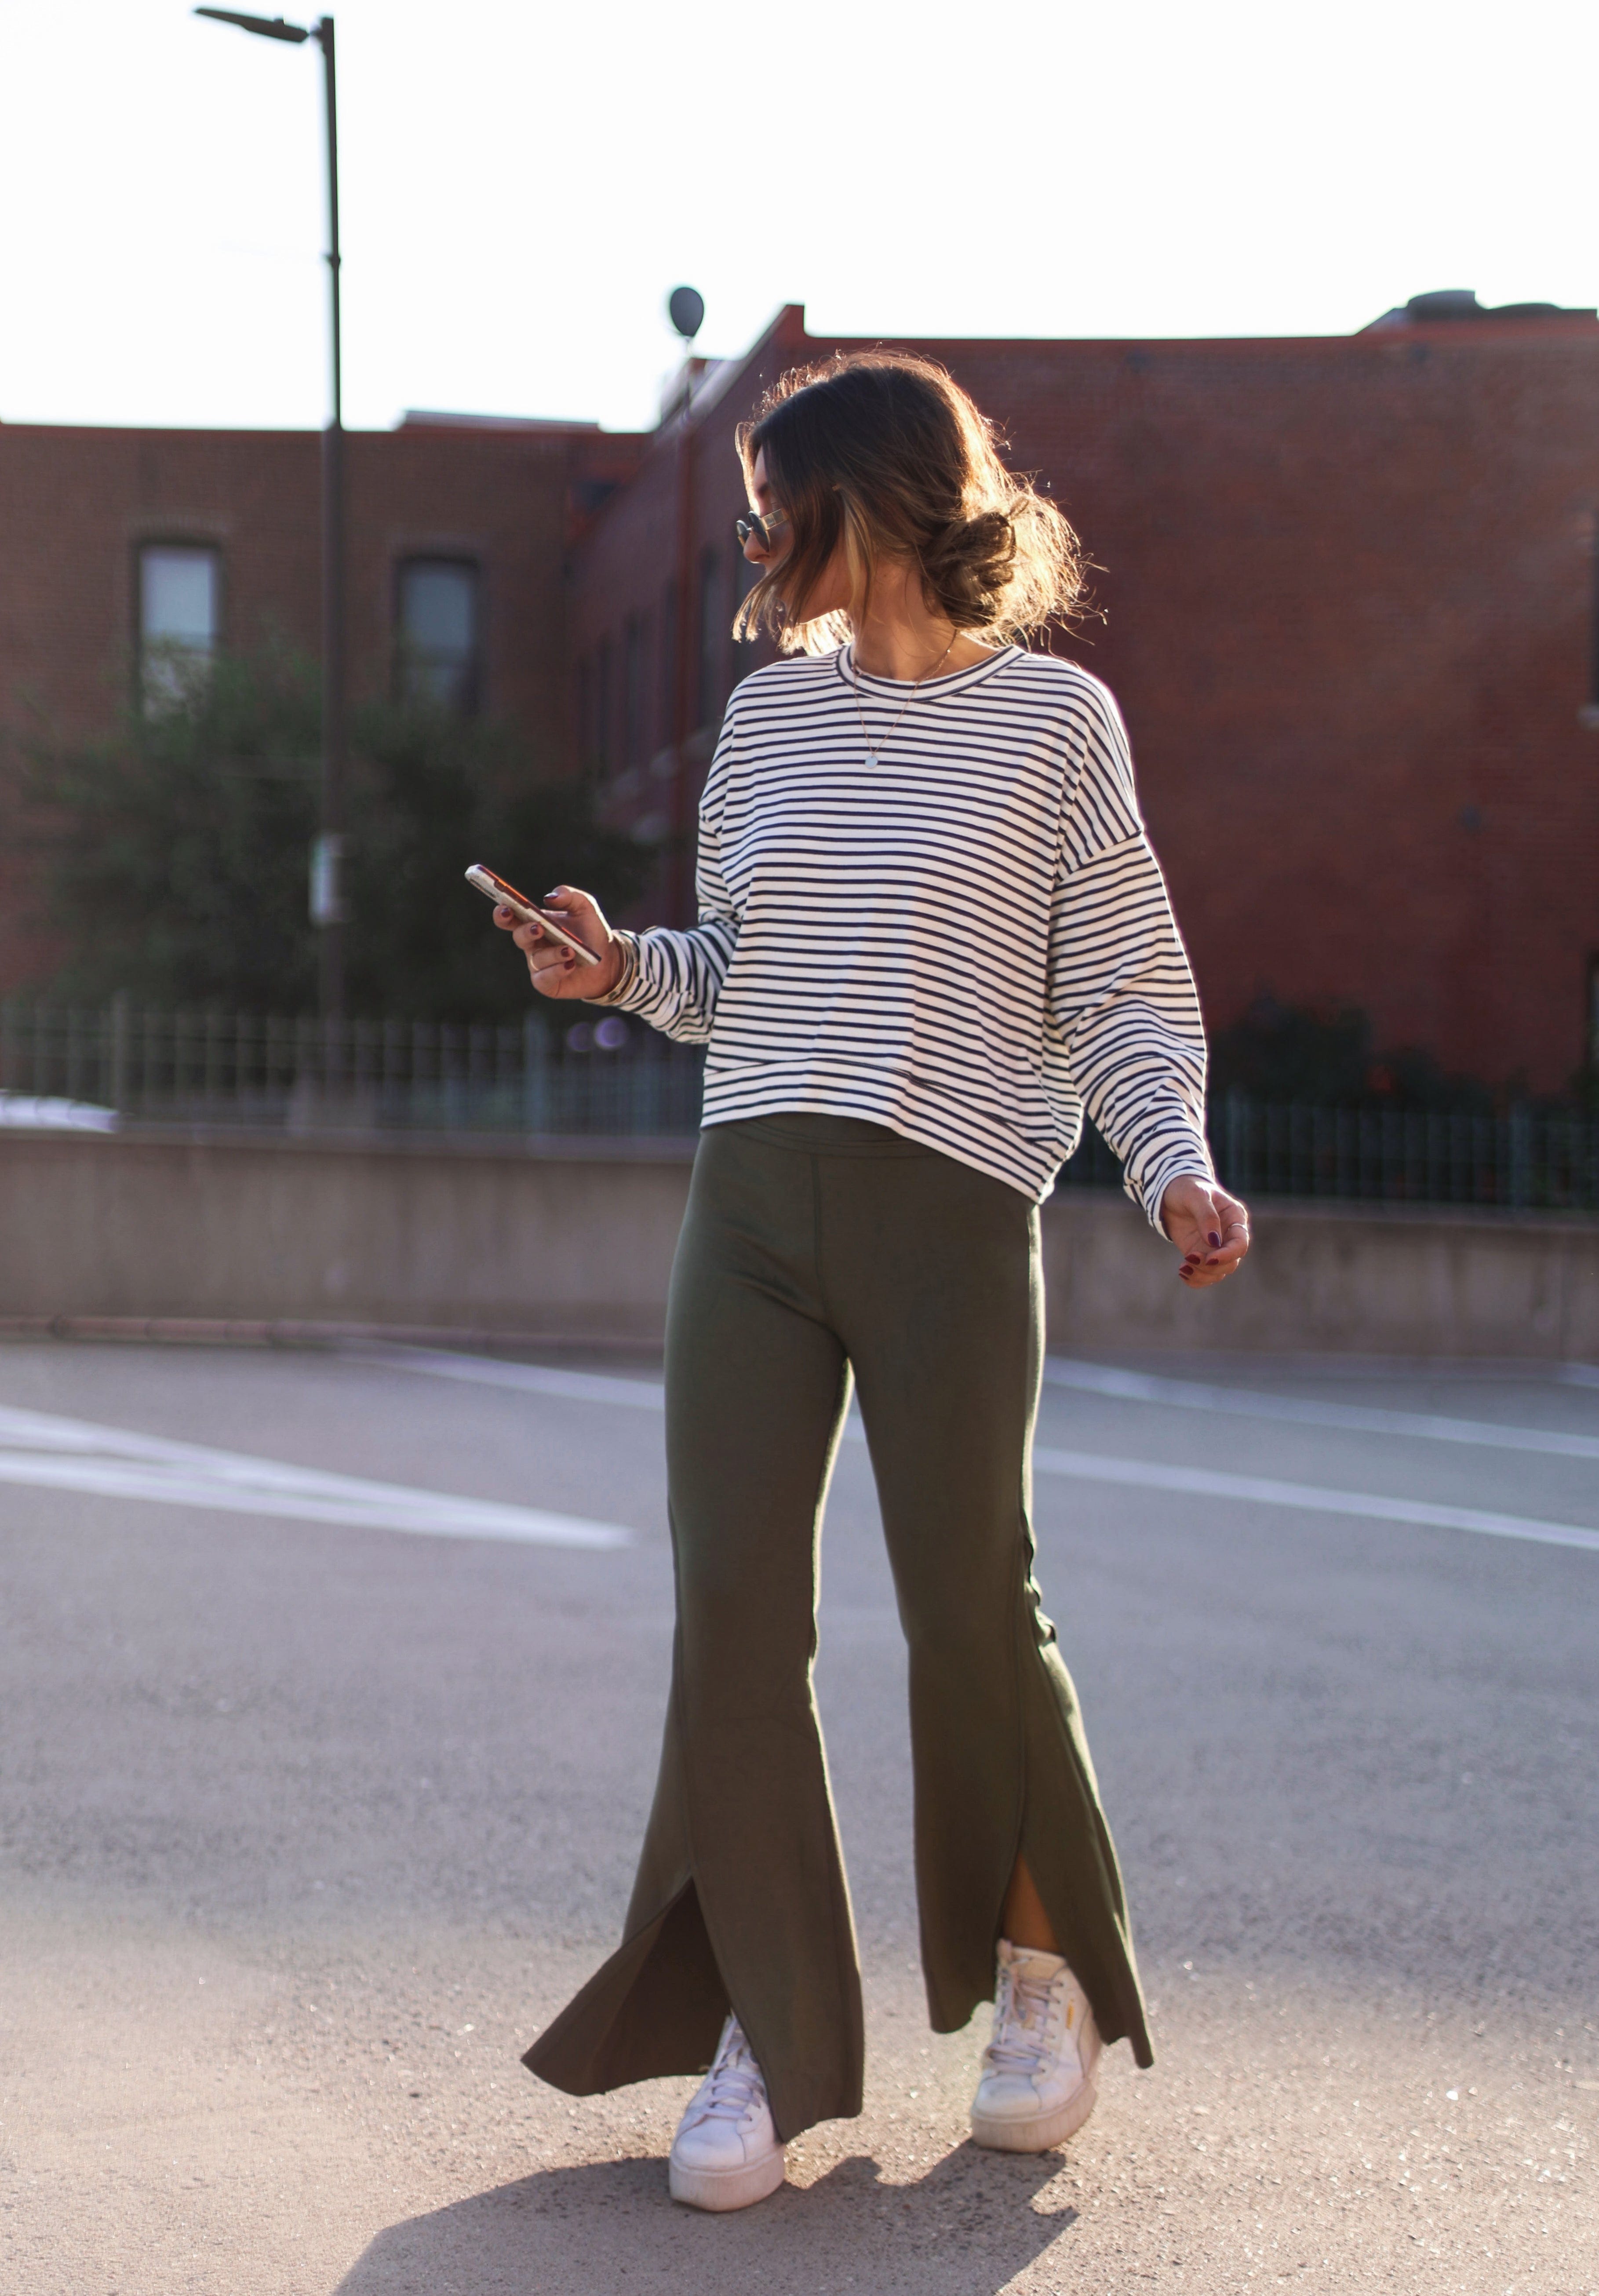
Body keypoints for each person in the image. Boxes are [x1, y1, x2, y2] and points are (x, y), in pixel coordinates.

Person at [493, 351, 1249, 2213]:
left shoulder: (1058, 722)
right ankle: (766, 2021)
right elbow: (735, 962)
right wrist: (620, 971)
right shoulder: (768, 723)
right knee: (733, 1610)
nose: (753, 537)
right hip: (749, 1199)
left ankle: (1040, 1977)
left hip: (948, 1205)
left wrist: (1173, 1165)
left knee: (968, 1601)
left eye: (777, 501)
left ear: (878, 502)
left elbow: (1123, 990)